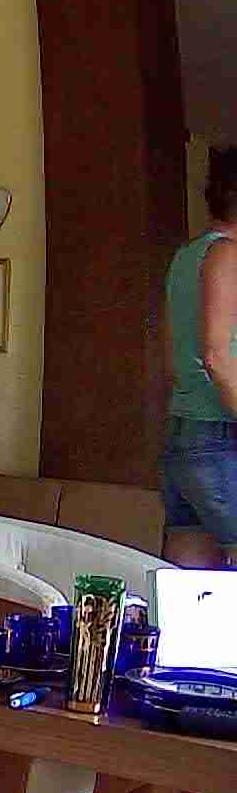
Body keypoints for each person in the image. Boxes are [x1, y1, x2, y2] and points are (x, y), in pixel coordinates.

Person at [162, 145, 237, 566]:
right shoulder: (228, 254)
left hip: (184, 433)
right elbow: (217, 356)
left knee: (188, 583)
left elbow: (173, 357)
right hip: (220, 434)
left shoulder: (186, 257)